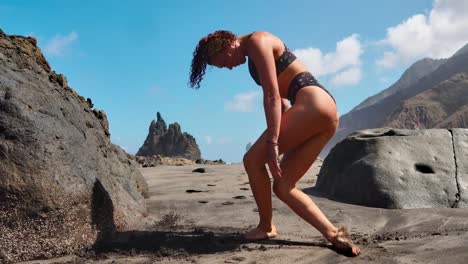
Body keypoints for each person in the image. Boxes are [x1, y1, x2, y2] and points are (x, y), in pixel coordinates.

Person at [189, 30, 360, 256]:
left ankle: (266, 227)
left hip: (312, 104)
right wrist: (278, 143)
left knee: (251, 161)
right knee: (282, 185)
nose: (229, 67)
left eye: (223, 62)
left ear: (227, 45)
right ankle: (334, 234)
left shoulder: (258, 42)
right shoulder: (253, 56)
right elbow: (281, 104)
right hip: (323, 113)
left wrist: (272, 141)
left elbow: (271, 95)